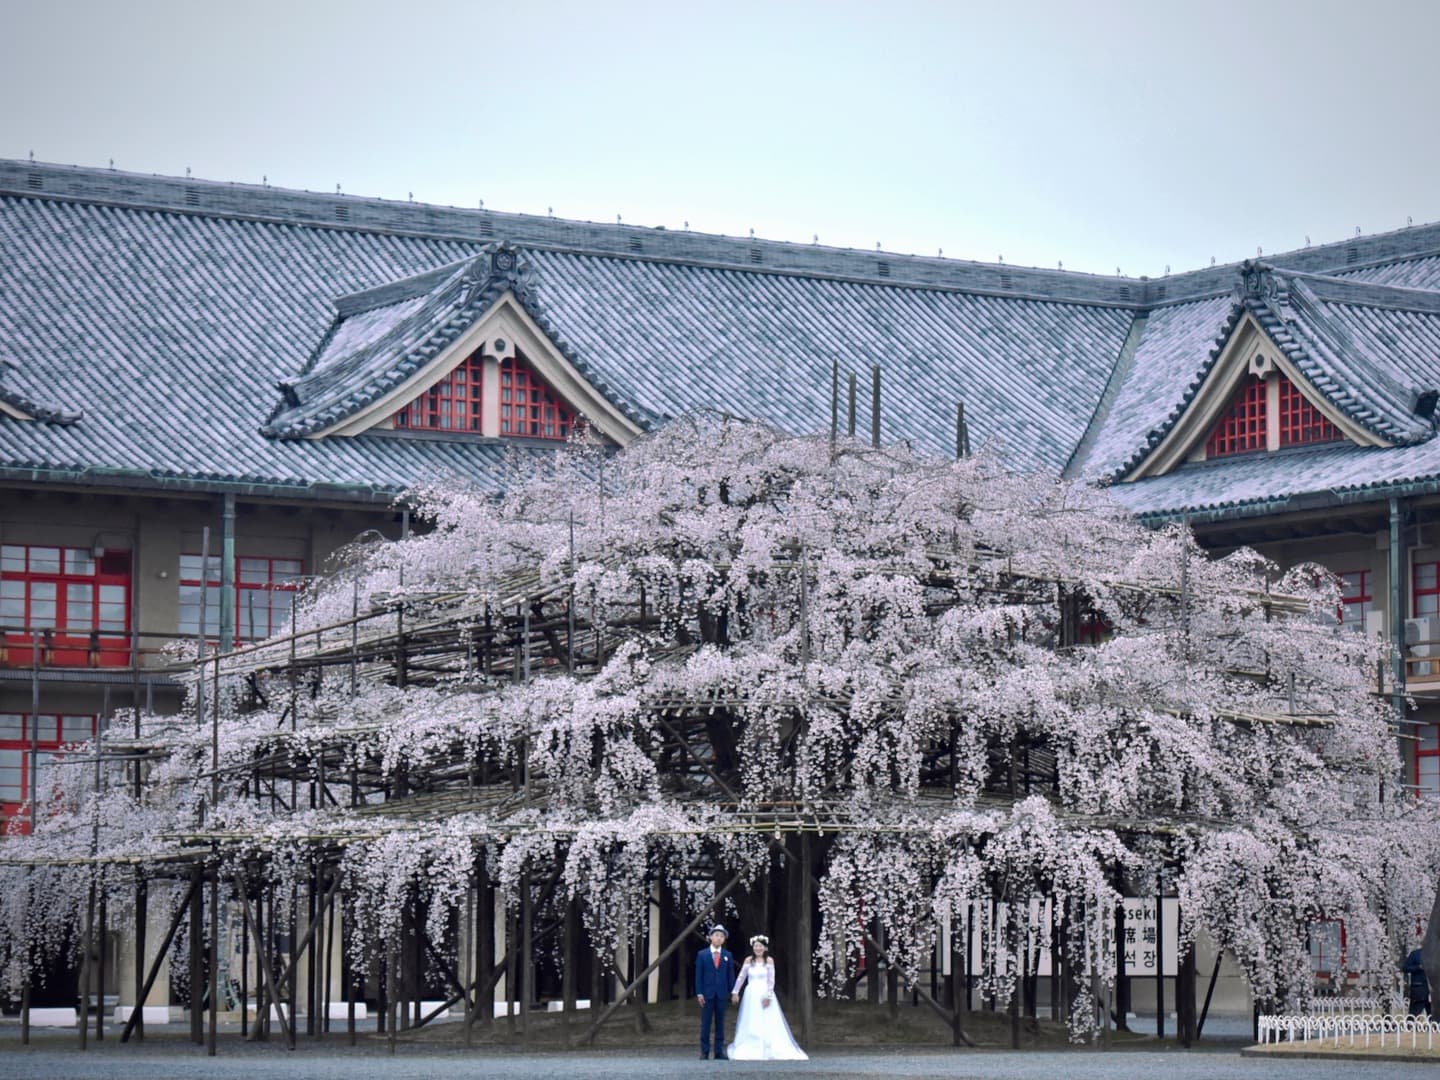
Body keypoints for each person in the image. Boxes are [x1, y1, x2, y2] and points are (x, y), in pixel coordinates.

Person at [727, 933, 808, 1060]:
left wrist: (769, 995)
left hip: (764, 992)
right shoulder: (749, 960)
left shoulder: (769, 961)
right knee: (751, 1018)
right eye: (756, 946)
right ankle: (751, 1043)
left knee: (767, 1019)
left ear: (765, 948)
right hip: (751, 993)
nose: (758, 949)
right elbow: (741, 977)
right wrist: (735, 992)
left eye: (760, 946)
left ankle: (768, 1046)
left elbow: (771, 980)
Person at [694, 924, 736, 1059]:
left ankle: (718, 1051)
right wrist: (699, 993)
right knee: (705, 1023)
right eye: (716, 935)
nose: (719, 938)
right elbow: (698, 975)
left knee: (720, 1023)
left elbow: (730, 975)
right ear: (711, 937)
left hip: (722, 993)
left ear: (724, 940)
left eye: (722, 936)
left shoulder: (727, 955)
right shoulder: (702, 954)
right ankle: (704, 1051)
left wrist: (733, 991)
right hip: (707, 993)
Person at [1405, 945, 1431, 1017]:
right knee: (1413, 1016)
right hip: (1419, 991)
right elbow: (1406, 968)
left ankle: (1434, 1027)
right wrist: (1419, 967)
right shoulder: (1415, 954)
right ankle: (1410, 1027)